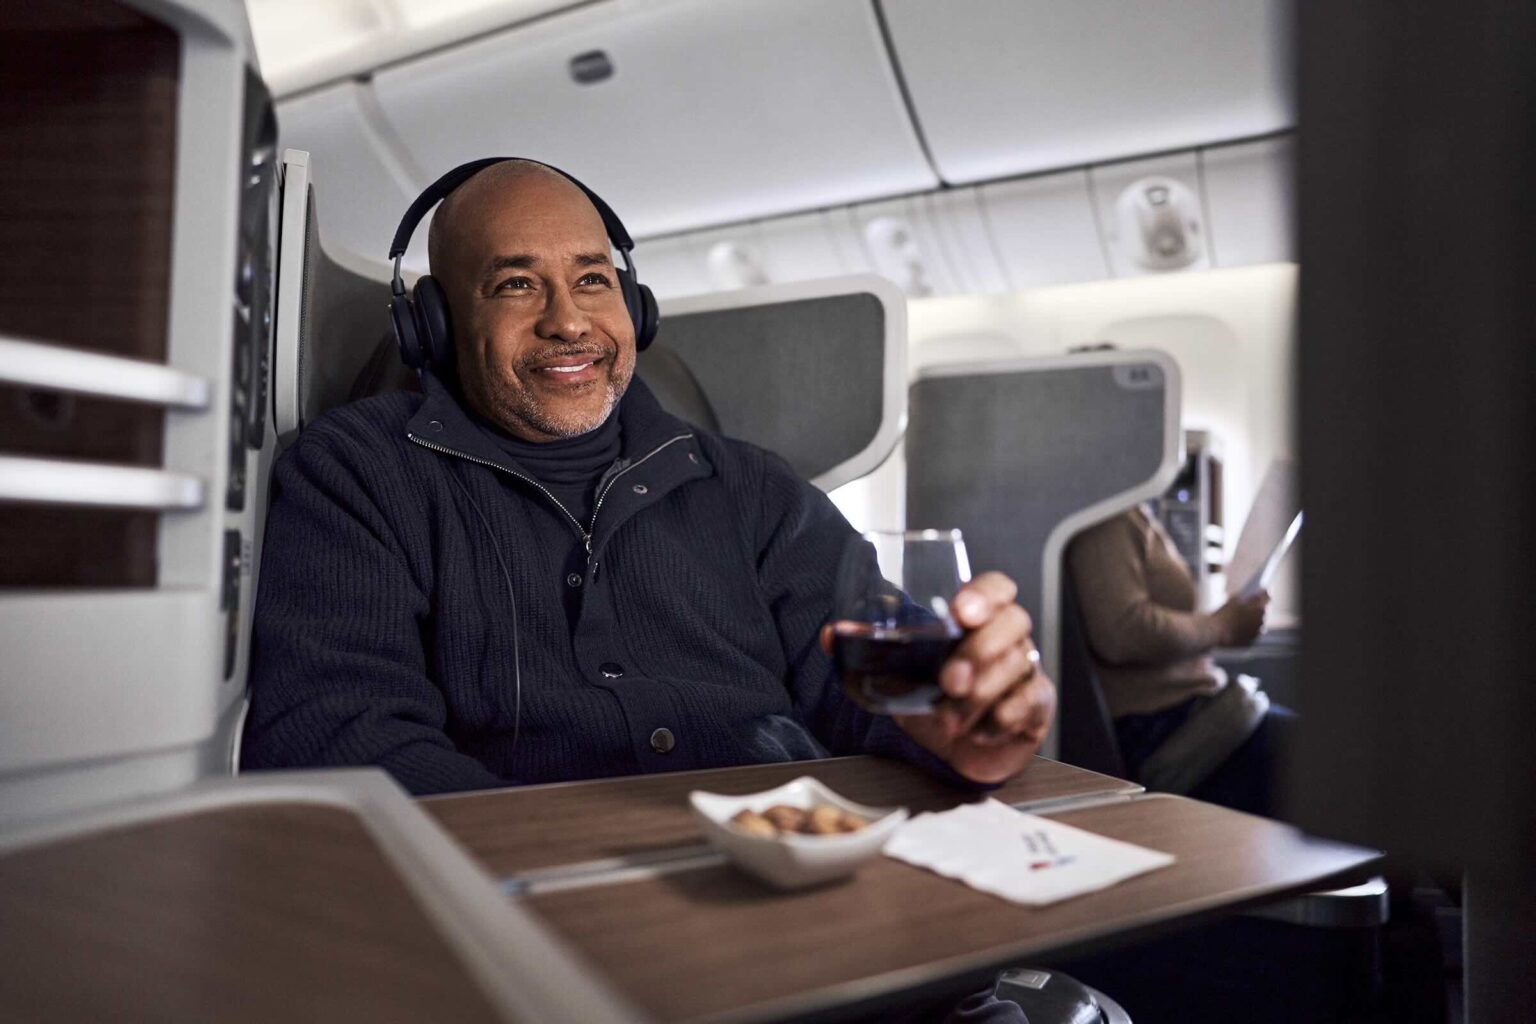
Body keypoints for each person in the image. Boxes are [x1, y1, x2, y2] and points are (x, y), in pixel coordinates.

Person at [241, 159, 1056, 799]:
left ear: (635, 306)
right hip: (528, 932)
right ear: (437, 324)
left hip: (796, 887)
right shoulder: (357, 475)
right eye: (517, 283)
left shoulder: (756, 493)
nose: (568, 319)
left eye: (593, 279)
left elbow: (877, 689)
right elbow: (341, 741)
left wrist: (966, 721)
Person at [1066, 503, 1290, 816]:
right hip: (1162, 726)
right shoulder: (1109, 517)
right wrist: (1223, 626)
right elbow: (1121, 633)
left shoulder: (1134, 512)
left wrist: (1230, 620)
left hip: (1194, 710)